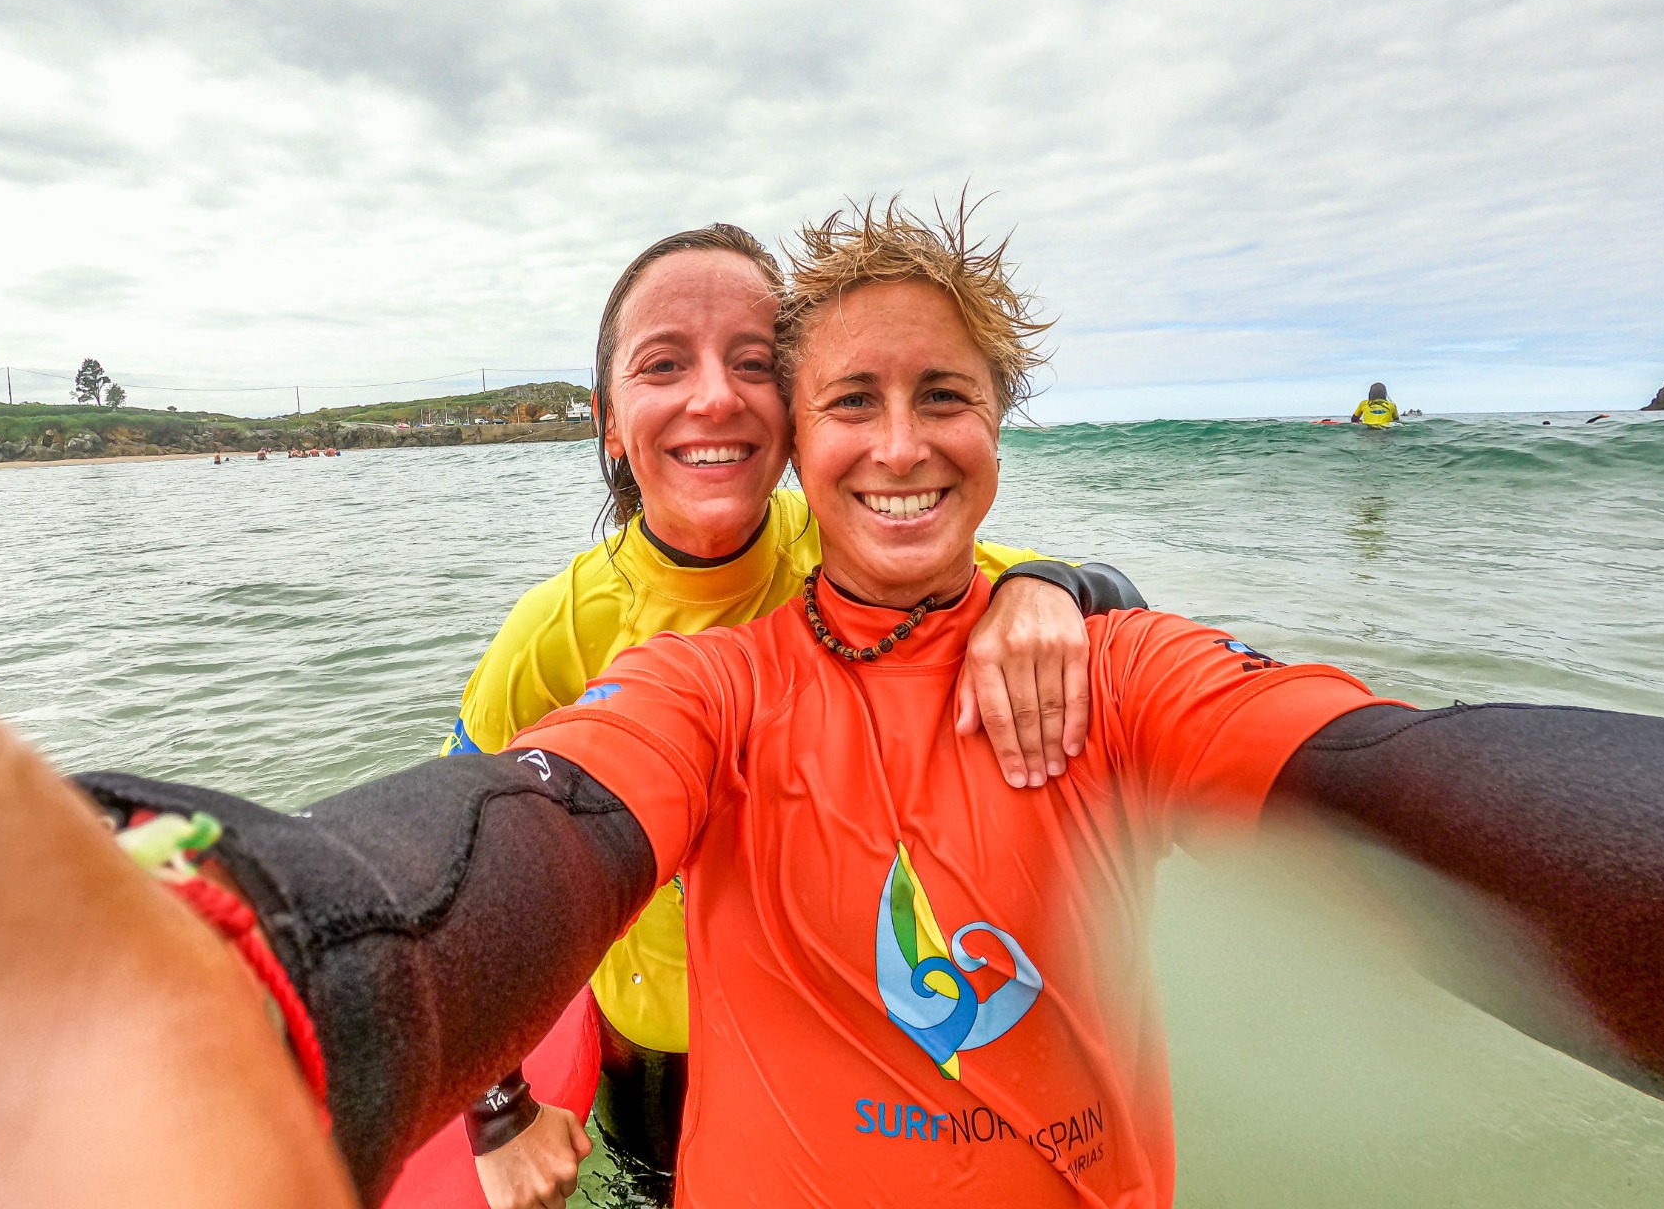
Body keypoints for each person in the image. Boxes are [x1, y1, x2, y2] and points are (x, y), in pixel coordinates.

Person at [74, 200, 1664, 1205]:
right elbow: (515, 819)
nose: (898, 443)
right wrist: (261, 963)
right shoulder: (637, 657)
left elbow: (1367, 770)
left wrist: (1077, 591)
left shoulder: (1037, 629)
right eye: (855, 396)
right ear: (622, 417)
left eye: (944, 397)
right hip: (635, 1013)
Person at [435, 223, 1144, 1208]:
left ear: (800, 407)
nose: (714, 396)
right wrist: (499, 1109)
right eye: (664, 365)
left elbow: (1114, 609)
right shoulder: (555, 632)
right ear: (608, 420)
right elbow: (453, 871)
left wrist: (1050, 586)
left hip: (847, 1045)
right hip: (664, 1049)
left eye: (754, 363)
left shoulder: (856, 539)